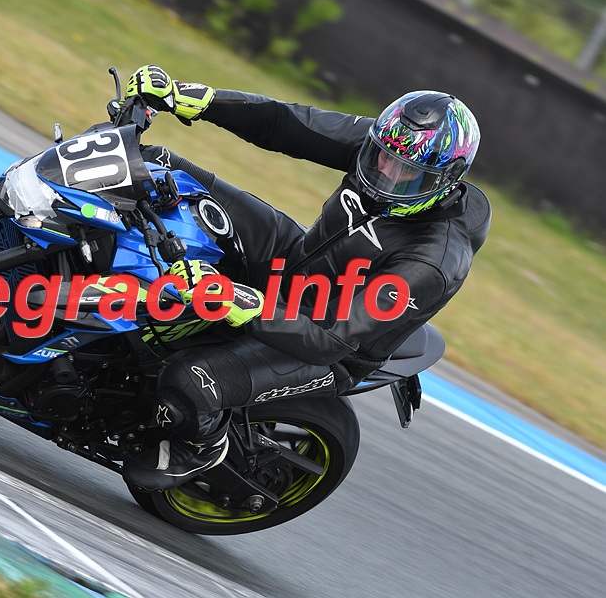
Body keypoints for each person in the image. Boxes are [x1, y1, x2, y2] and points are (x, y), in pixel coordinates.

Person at [121, 65, 491, 491]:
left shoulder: (432, 261)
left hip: (325, 343)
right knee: (161, 167)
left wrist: (241, 303)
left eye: (405, 172)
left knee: (189, 383)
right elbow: (287, 123)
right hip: (294, 261)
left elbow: (330, 338)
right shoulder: (390, 144)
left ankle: (203, 447)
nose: (386, 174)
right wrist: (202, 100)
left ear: (444, 181)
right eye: (382, 159)